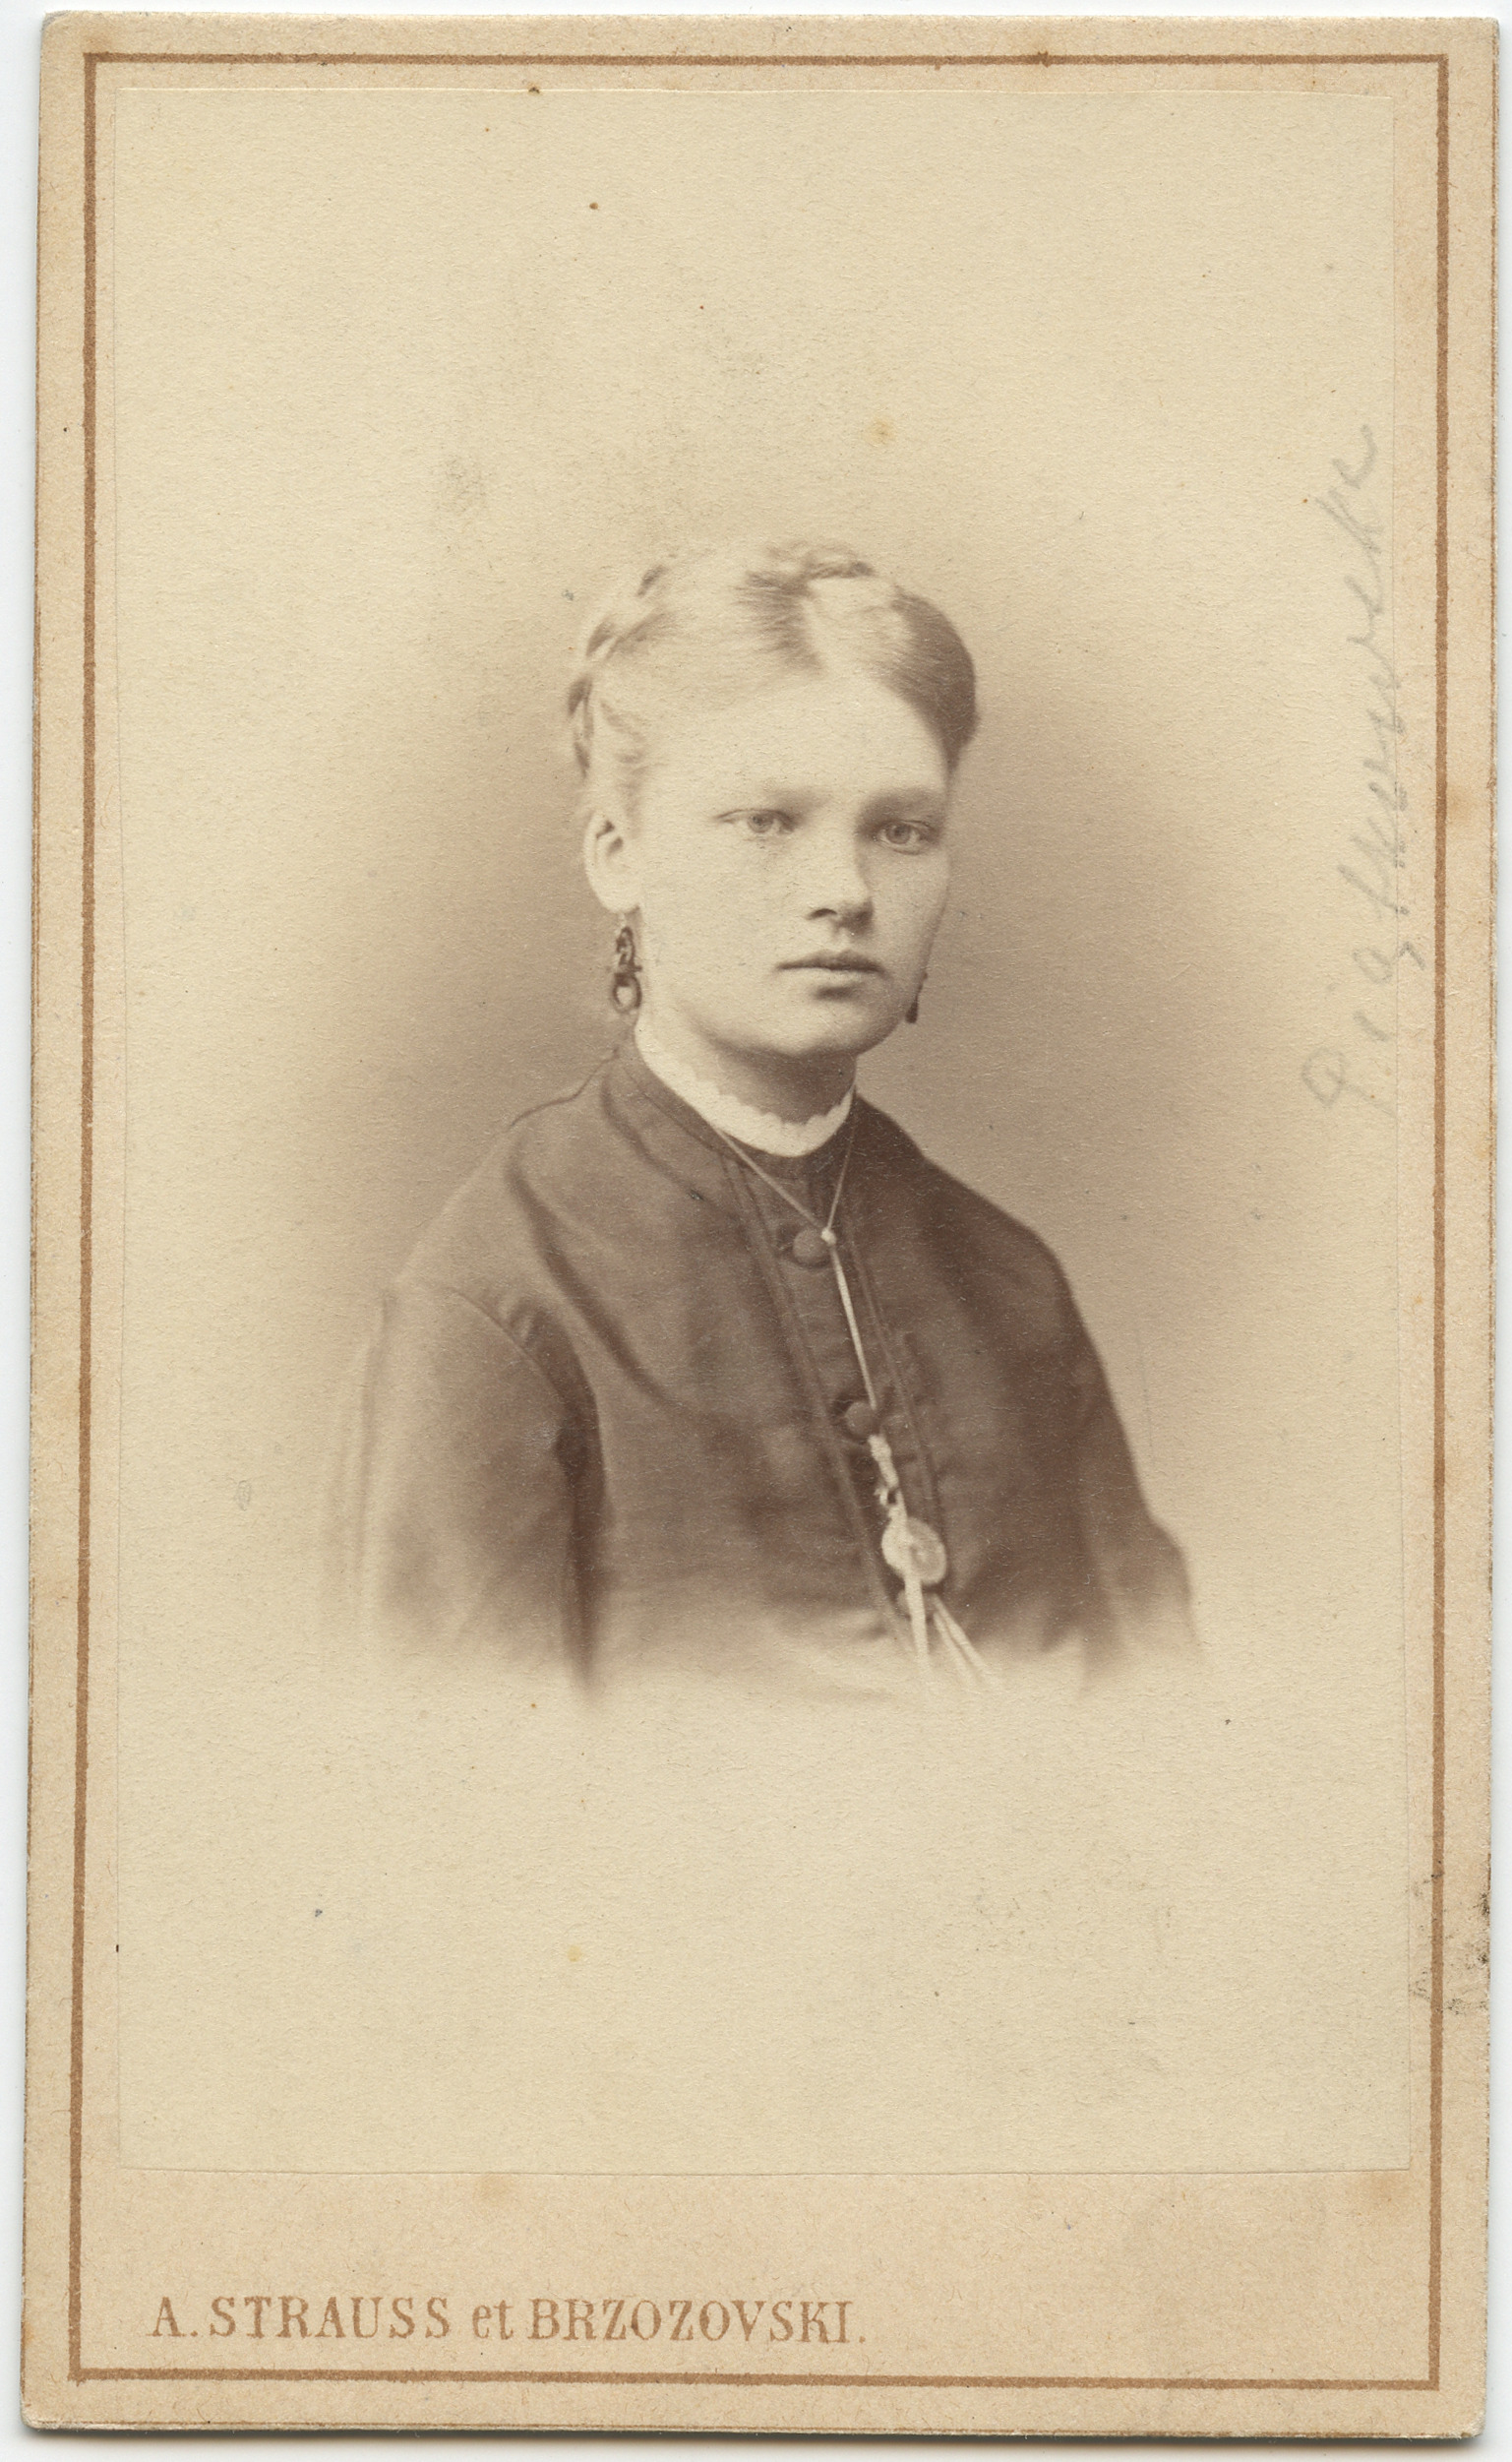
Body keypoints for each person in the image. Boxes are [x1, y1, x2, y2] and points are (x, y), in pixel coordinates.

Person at [319, 540, 1191, 1696]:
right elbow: (463, 1785)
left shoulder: (1007, 1284)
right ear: (618, 855)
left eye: (901, 829)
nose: (845, 891)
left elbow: (1168, 1727)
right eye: (767, 820)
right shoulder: (496, 1305)